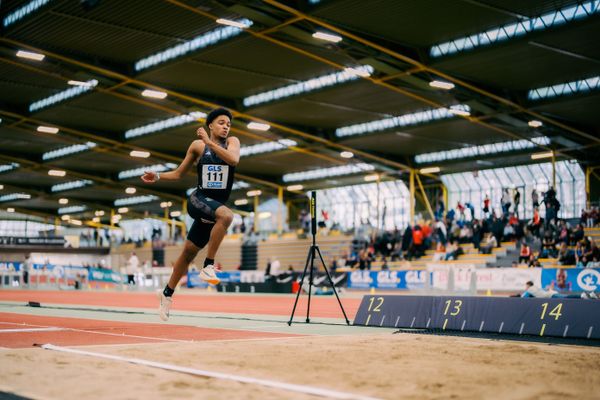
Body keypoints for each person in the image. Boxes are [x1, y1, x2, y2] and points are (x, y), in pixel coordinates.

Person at [142, 107, 240, 321]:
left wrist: (210, 142)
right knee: (227, 216)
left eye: (228, 124)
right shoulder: (197, 146)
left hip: (213, 207)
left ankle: (166, 294)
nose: (226, 127)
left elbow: (233, 161)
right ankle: (208, 266)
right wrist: (157, 175)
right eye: (221, 123)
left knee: (188, 253)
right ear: (210, 125)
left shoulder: (232, 142)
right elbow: (178, 173)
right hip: (198, 200)